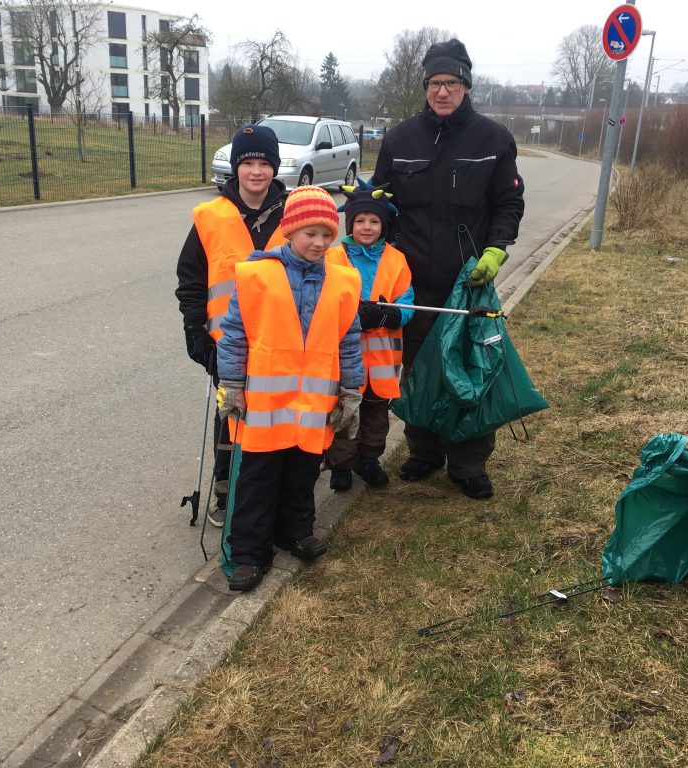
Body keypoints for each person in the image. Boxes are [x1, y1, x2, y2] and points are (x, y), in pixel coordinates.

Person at [372, 38, 525, 500]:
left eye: (452, 83)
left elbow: (508, 202)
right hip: (412, 282)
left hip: (469, 281)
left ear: (466, 85)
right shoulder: (399, 139)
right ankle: (423, 450)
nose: (443, 91)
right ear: (425, 86)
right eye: (435, 83)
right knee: (417, 368)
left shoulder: (493, 138)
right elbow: (380, 205)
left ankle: (468, 463)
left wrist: (496, 249)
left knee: (471, 368)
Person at [215, 186, 364, 592]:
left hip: (314, 402)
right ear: (288, 231)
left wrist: (352, 390)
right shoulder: (256, 274)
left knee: (302, 473)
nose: (318, 243)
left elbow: (349, 340)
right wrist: (231, 385)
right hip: (265, 404)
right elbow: (234, 335)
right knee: (257, 479)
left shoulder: (344, 281)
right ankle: (249, 552)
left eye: (326, 235)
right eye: (309, 233)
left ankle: (295, 532)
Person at [175, 125, 287, 527]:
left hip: (284, 343)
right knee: (232, 416)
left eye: (264, 163)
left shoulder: (294, 214)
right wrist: (195, 331)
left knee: (279, 415)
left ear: (274, 167)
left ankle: (274, 491)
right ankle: (225, 490)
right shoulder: (211, 216)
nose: (256, 172)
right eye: (247, 163)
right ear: (235, 168)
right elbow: (191, 279)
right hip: (228, 345)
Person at [324, 184, 415, 492]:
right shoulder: (333, 258)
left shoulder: (396, 259)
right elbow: (323, 302)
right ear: (350, 224)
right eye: (360, 220)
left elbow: (407, 299)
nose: (367, 227)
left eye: (374, 222)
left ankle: (369, 459)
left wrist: (392, 315)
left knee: (376, 415)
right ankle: (341, 465)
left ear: (383, 226)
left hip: (382, 361)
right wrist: (352, 317)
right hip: (345, 359)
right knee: (343, 412)